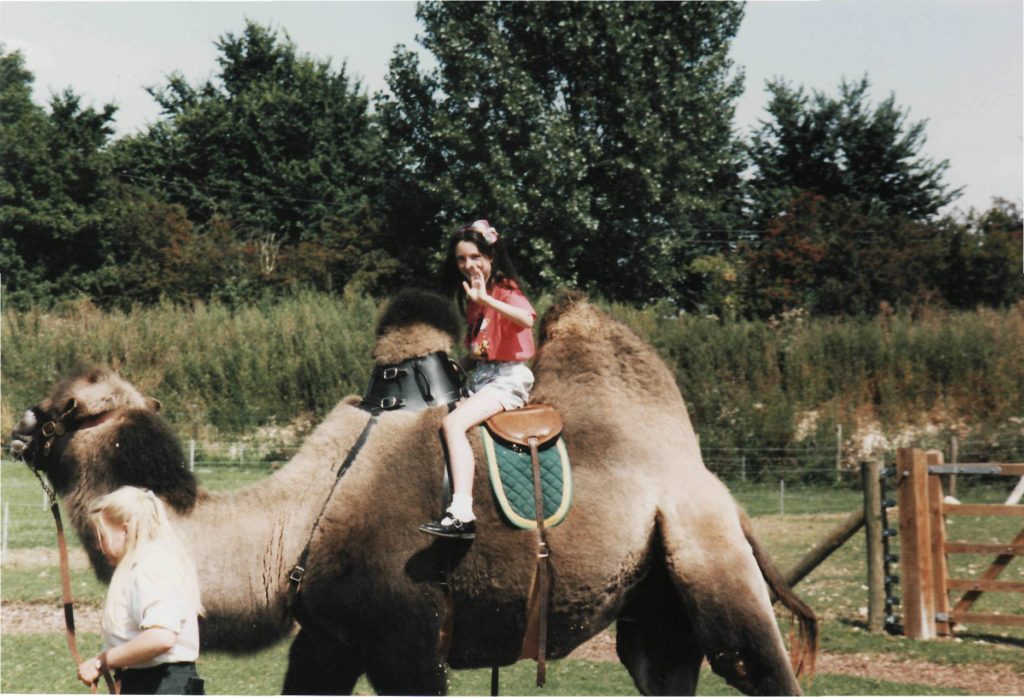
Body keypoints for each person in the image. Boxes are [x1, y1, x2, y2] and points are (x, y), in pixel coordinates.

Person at [420, 219, 536, 540]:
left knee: (453, 425)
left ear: (490, 257)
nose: (468, 265)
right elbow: (482, 345)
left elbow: (526, 319)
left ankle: (462, 513)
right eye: (461, 259)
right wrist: (457, 363)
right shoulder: (472, 297)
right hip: (484, 376)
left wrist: (487, 300)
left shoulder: (505, 289)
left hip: (508, 379)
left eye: (475, 257)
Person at [77, 486, 205, 695]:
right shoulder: (148, 563)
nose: (99, 547)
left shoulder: (151, 567)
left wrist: (101, 662)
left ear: (125, 531)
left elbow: (161, 637)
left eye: (102, 536)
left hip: (160, 686)